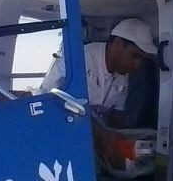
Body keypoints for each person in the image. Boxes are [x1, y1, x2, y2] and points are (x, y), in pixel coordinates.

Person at [41, 18, 157, 170]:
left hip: (96, 147)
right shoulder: (78, 60)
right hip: (63, 139)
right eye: (135, 56)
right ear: (118, 44)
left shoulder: (123, 75)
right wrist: (101, 135)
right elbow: (51, 102)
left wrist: (120, 145)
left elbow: (117, 117)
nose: (137, 65)